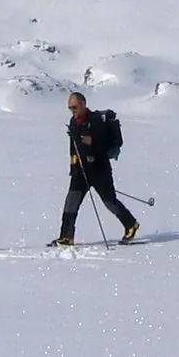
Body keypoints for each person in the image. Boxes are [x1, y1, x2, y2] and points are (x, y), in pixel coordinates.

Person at [50, 92, 139, 246]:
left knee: (110, 202)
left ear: (84, 104)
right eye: (70, 108)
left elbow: (101, 146)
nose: (73, 110)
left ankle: (130, 224)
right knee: (71, 203)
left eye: (75, 107)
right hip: (80, 170)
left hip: (99, 169)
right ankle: (66, 236)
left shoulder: (96, 120)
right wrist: (73, 165)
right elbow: (74, 147)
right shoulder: (73, 122)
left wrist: (90, 142)